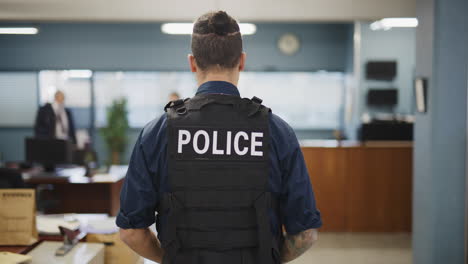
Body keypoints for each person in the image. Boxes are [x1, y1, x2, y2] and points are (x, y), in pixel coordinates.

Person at [117, 11, 322, 264]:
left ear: (192, 63)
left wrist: (169, 257)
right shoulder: (277, 132)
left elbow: (130, 232)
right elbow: (305, 235)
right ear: (242, 61)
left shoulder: (157, 133)